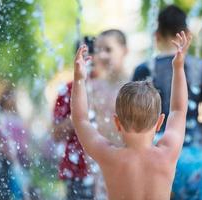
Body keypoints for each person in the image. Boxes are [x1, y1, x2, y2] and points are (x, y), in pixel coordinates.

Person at [71, 31, 190, 199]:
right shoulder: (167, 153)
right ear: (159, 122)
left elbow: (81, 120)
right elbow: (178, 110)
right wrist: (178, 68)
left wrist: (78, 79)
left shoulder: (109, 156)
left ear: (117, 123)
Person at [132, 5, 202, 199]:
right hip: (192, 156)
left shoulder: (144, 70)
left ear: (157, 35)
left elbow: (135, 121)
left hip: (155, 155)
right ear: (187, 34)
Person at [52, 36, 96, 200]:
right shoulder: (67, 90)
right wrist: (78, 114)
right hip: (76, 170)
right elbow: (55, 134)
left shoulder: (106, 88)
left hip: (106, 166)